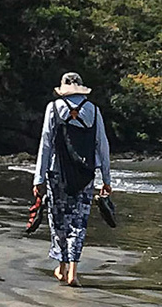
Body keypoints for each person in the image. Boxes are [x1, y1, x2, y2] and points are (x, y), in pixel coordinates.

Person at [33, 71, 113, 286]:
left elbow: (46, 144)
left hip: (57, 172)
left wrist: (38, 179)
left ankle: (61, 266)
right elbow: (102, 146)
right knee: (79, 222)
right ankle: (72, 273)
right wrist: (107, 179)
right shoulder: (94, 111)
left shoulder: (53, 108)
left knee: (58, 220)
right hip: (86, 173)